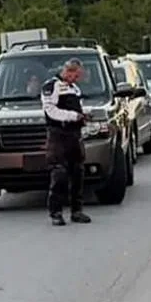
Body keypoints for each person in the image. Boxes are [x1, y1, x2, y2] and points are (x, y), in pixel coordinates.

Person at [41, 58, 92, 226]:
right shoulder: (51, 86)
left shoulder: (74, 89)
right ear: (68, 72)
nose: (76, 79)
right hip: (58, 135)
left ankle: (77, 210)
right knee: (59, 173)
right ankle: (55, 212)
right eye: (75, 76)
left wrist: (84, 115)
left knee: (78, 172)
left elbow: (78, 108)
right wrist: (73, 116)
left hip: (74, 135)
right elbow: (51, 111)